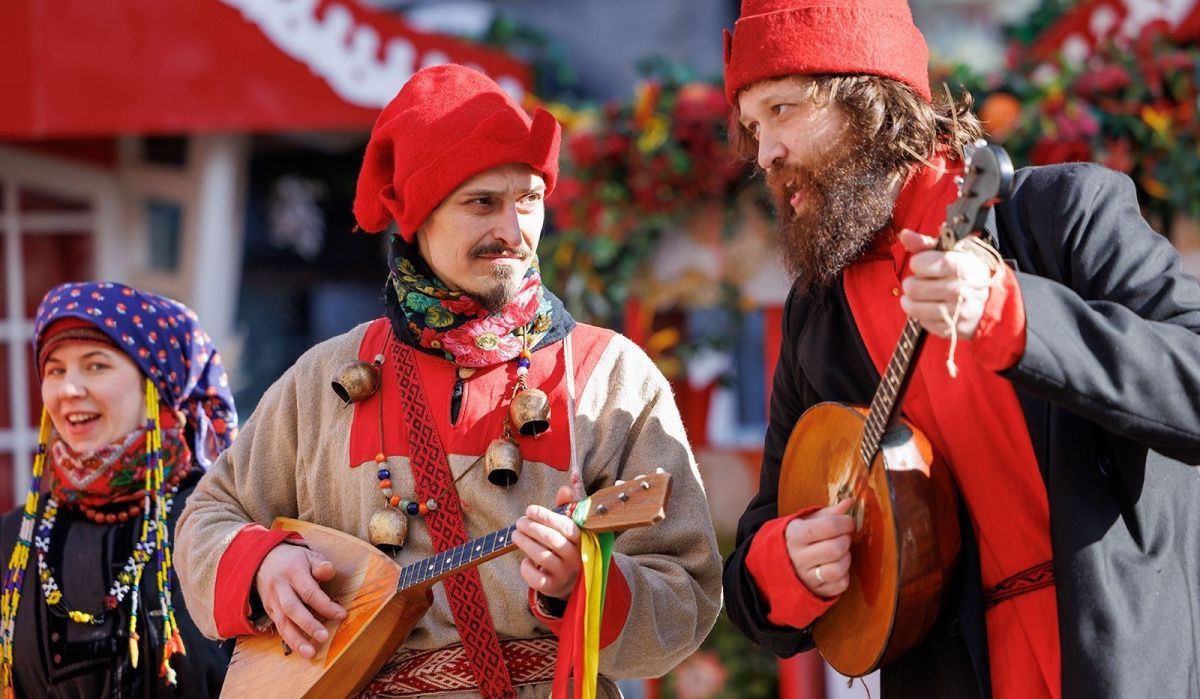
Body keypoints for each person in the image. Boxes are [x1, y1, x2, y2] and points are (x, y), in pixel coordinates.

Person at [174, 64, 722, 698]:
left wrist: (585, 582)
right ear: (416, 218)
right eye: (481, 203)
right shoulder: (323, 378)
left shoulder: (612, 376)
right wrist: (264, 563)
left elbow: (686, 589)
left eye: (529, 199)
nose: (514, 233)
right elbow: (206, 518)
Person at [718, 1, 1200, 698]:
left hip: (1122, 658)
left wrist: (1020, 317)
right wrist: (785, 563)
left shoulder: (1062, 216)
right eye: (754, 128)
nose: (764, 152)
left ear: (870, 101)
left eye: (783, 110)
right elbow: (753, 574)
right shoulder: (817, 318)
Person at [0, 282, 239, 697]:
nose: (70, 389)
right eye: (55, 370)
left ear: (157, 385)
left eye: (96, 366)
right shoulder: (14, 540)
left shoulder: (217, 525)